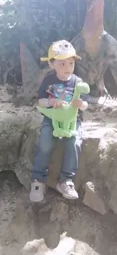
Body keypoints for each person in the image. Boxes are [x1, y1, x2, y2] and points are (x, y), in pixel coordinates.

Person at [29, 40, 88, 202]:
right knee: (45, 142)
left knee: (74, 143)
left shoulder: (77, 82)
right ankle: (38, 179)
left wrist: (81, 104)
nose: (68, 68)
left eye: (71, 63)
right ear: (51, 64)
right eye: (62, 64)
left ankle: (66, 180)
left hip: (72, 120)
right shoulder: (49, 81)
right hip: (52, 118)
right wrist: (51, 102)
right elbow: (41, 101)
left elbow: (86, 104)